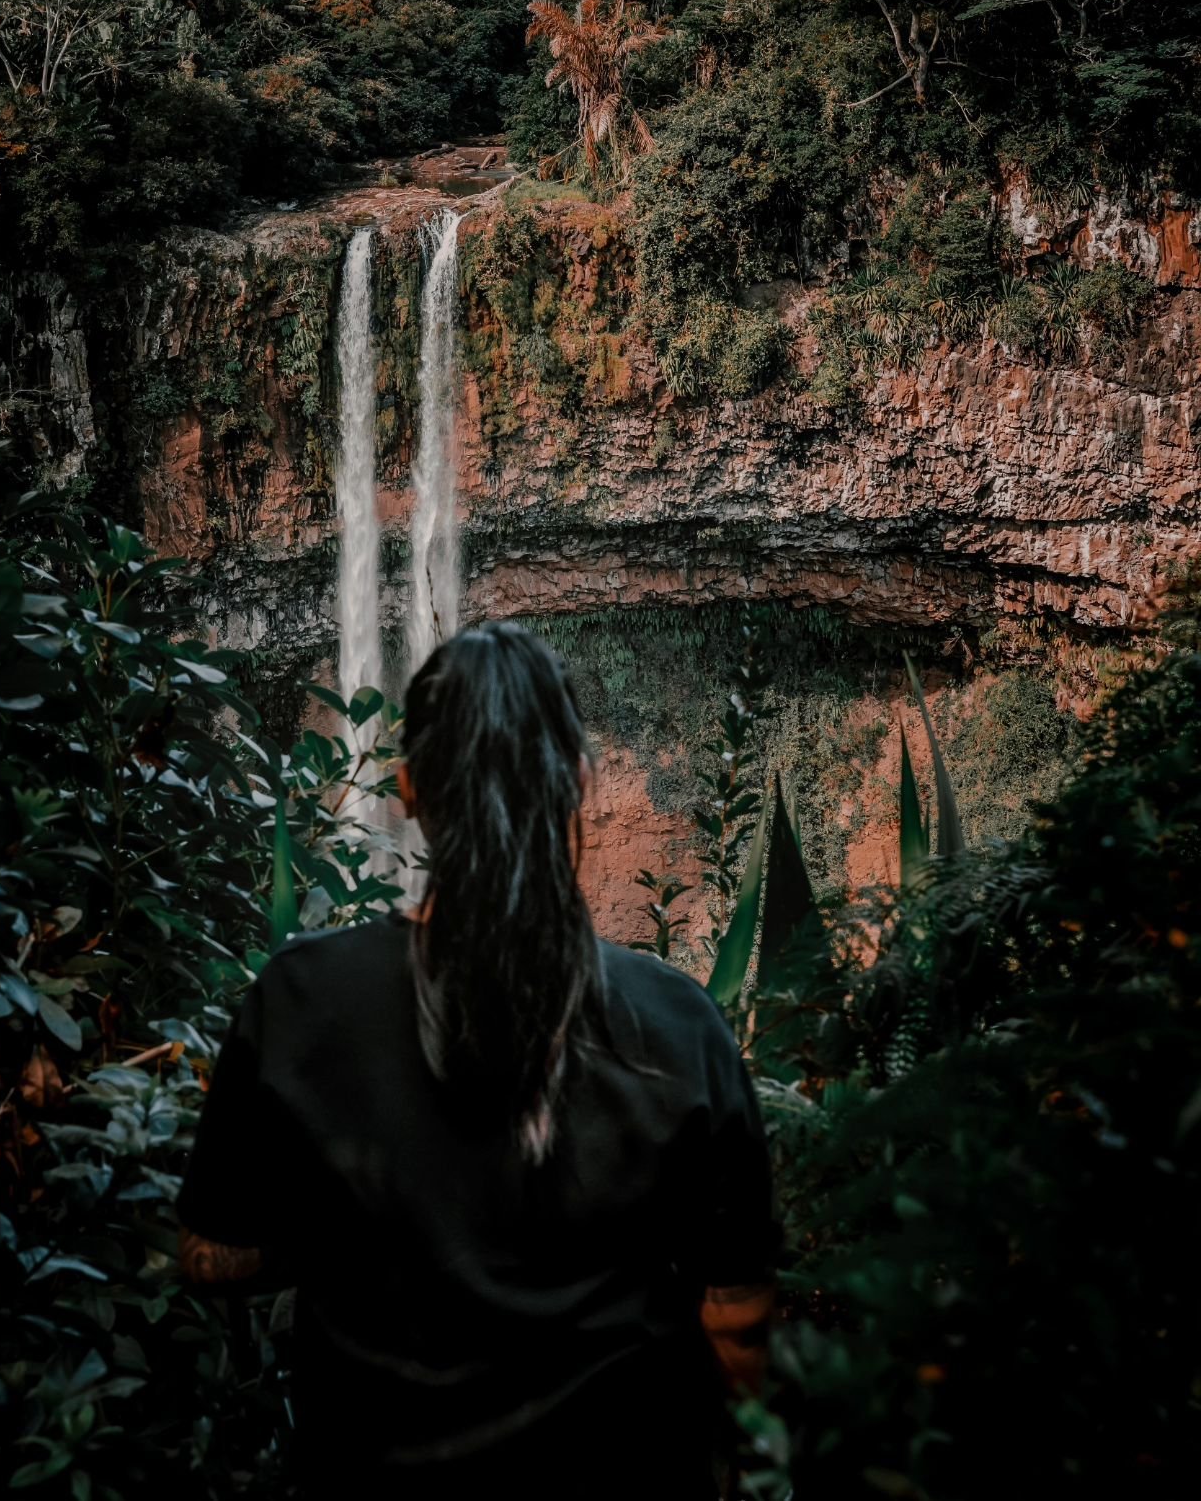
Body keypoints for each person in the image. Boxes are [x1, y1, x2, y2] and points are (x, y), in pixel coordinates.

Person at [177, 622, 778, 1496]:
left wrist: (357, 1221)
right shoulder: (678, 1023)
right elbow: (737, 1319)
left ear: (411, 788)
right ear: (575, 782)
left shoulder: (302, 1000)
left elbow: (209, 1252)